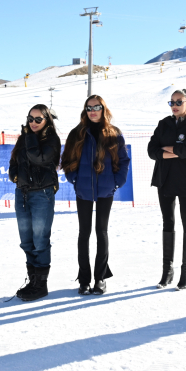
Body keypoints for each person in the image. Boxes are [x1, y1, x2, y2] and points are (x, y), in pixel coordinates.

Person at [60, 95, 130, 295]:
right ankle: (84, 280)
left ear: (103, 109)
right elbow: (67, 159)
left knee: (102, 232)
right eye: (89, 107)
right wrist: (74, 178)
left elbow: (124, 160)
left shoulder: (113, 133)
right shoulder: (77, 133)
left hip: (106, 190)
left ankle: (100, 278)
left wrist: (117, 181)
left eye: (96, 107)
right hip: (83, 190)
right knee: (84, 233)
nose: (93, 111)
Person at [147, 89, 186, 290]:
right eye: (171, 102)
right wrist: (175, 151)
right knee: (167, 222)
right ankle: (167, 270)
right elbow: (152, 151)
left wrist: (167, 150)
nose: (175, 105)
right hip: (165, 180)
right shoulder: (164, 124)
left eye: (179, 101)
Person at [8, 104, 61, 301]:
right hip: (22, 194)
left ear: (47, 120)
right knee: (26, 241)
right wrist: (15, 176)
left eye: (38, 119)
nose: (33, 123)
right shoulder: (24, 139)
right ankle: (32, 281)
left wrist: (28, 135)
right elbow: (15, 161)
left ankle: (41, 285)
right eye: (30, 119)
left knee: (40, 241)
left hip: (42, 195)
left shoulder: (52, 140)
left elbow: (38, 158)